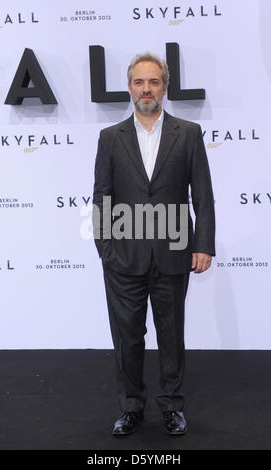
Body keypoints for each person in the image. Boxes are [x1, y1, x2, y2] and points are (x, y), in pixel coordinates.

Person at [92, 52, 215, 436]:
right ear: (130, 88)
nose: (147, 89)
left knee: (171, 336)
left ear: (165, 86)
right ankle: (130, 408)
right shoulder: (110, 138)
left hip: (174, 253)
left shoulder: (189, 133)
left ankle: (173, 407)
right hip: (123, 258)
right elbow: (102, 198)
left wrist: (204, 245)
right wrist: (106, 252)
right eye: (140, 82)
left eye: (154, 82)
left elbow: (203, 196)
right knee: (127, 337)